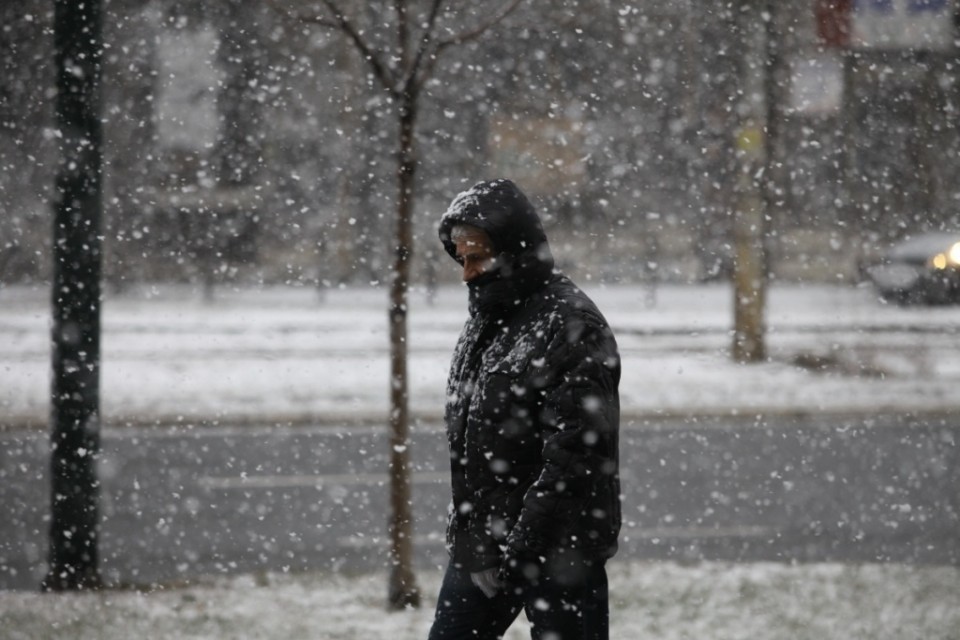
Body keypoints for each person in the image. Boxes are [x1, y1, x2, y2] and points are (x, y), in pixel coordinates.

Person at [428, 179, 621, 640]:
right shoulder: (488, 318)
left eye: (477, 257)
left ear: (513, 250)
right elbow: (471, 440)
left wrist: (521, 547)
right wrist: (480, 542)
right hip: (487, 544)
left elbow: (577, 456)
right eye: (461, 258)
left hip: (561, 551)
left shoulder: (570, 324)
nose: (466, 273)